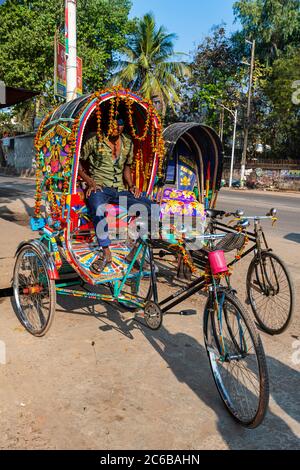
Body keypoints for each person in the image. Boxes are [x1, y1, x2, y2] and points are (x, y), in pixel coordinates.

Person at [78, 118, 152, 274]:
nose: (116, 127)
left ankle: (134, 253)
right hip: (99, 187)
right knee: (98, 208)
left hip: (119, 189)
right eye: (112, 123)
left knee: (151, 207)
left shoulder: (127, 142)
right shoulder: (94, 138)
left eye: (120, 123)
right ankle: (106, 252)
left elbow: (127, 167)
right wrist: (90, 182)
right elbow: (78, 162)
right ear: (106, 123)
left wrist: (131, 186)